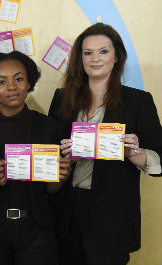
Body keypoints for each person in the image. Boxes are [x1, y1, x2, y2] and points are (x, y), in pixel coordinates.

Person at [48, 23, 162, 265]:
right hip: (68, 211)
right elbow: (50, 153)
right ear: (79, 58)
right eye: (87, 53)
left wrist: (135, 154)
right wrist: (66, 156)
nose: (95, 59)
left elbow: (159, 159)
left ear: (117, 56)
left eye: (103, 51)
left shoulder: (138, 101)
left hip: (113, 216)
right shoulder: (61, 98)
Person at [0, 51, 71, 265]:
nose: (12, 87)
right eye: (2, 82)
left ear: (29, 82)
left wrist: (59, 179)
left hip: (37, 229)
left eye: (18, 79)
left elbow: (53, 192)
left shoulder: (51, 127)